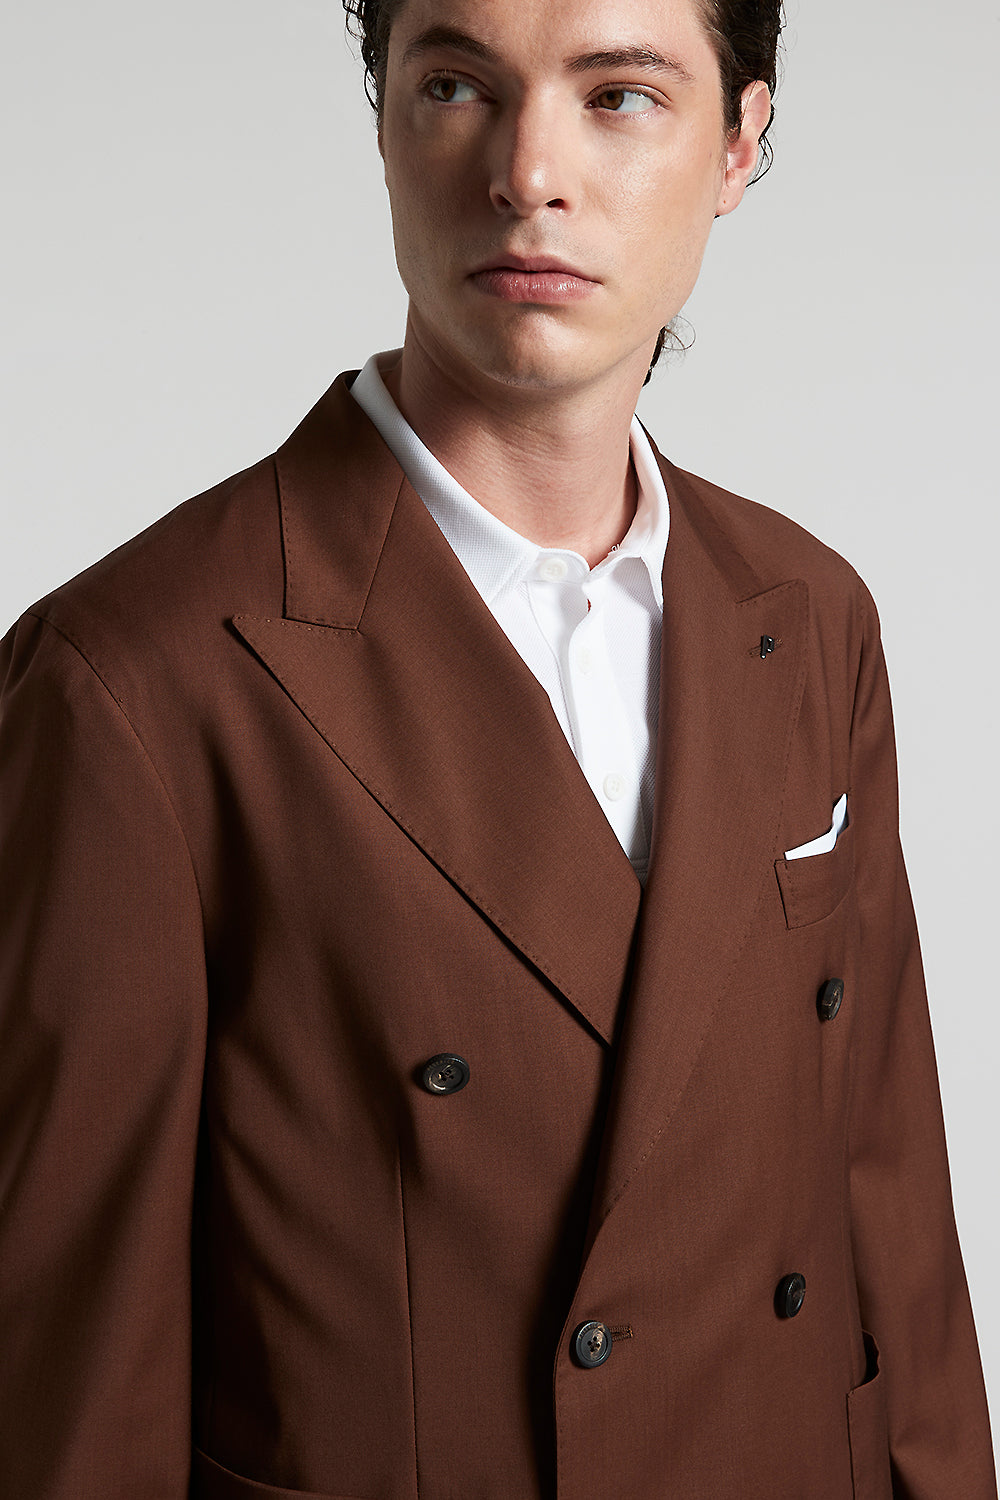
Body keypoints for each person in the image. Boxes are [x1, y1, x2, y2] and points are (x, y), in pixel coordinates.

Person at [0, 0, 995, 1493]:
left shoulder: (810, 616)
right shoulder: (130, 678)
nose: (530, 173)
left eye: (619, 96)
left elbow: (890, 1216)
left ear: (739, 146)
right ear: (385, 118)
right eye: (459, 84)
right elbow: (71, 1396)